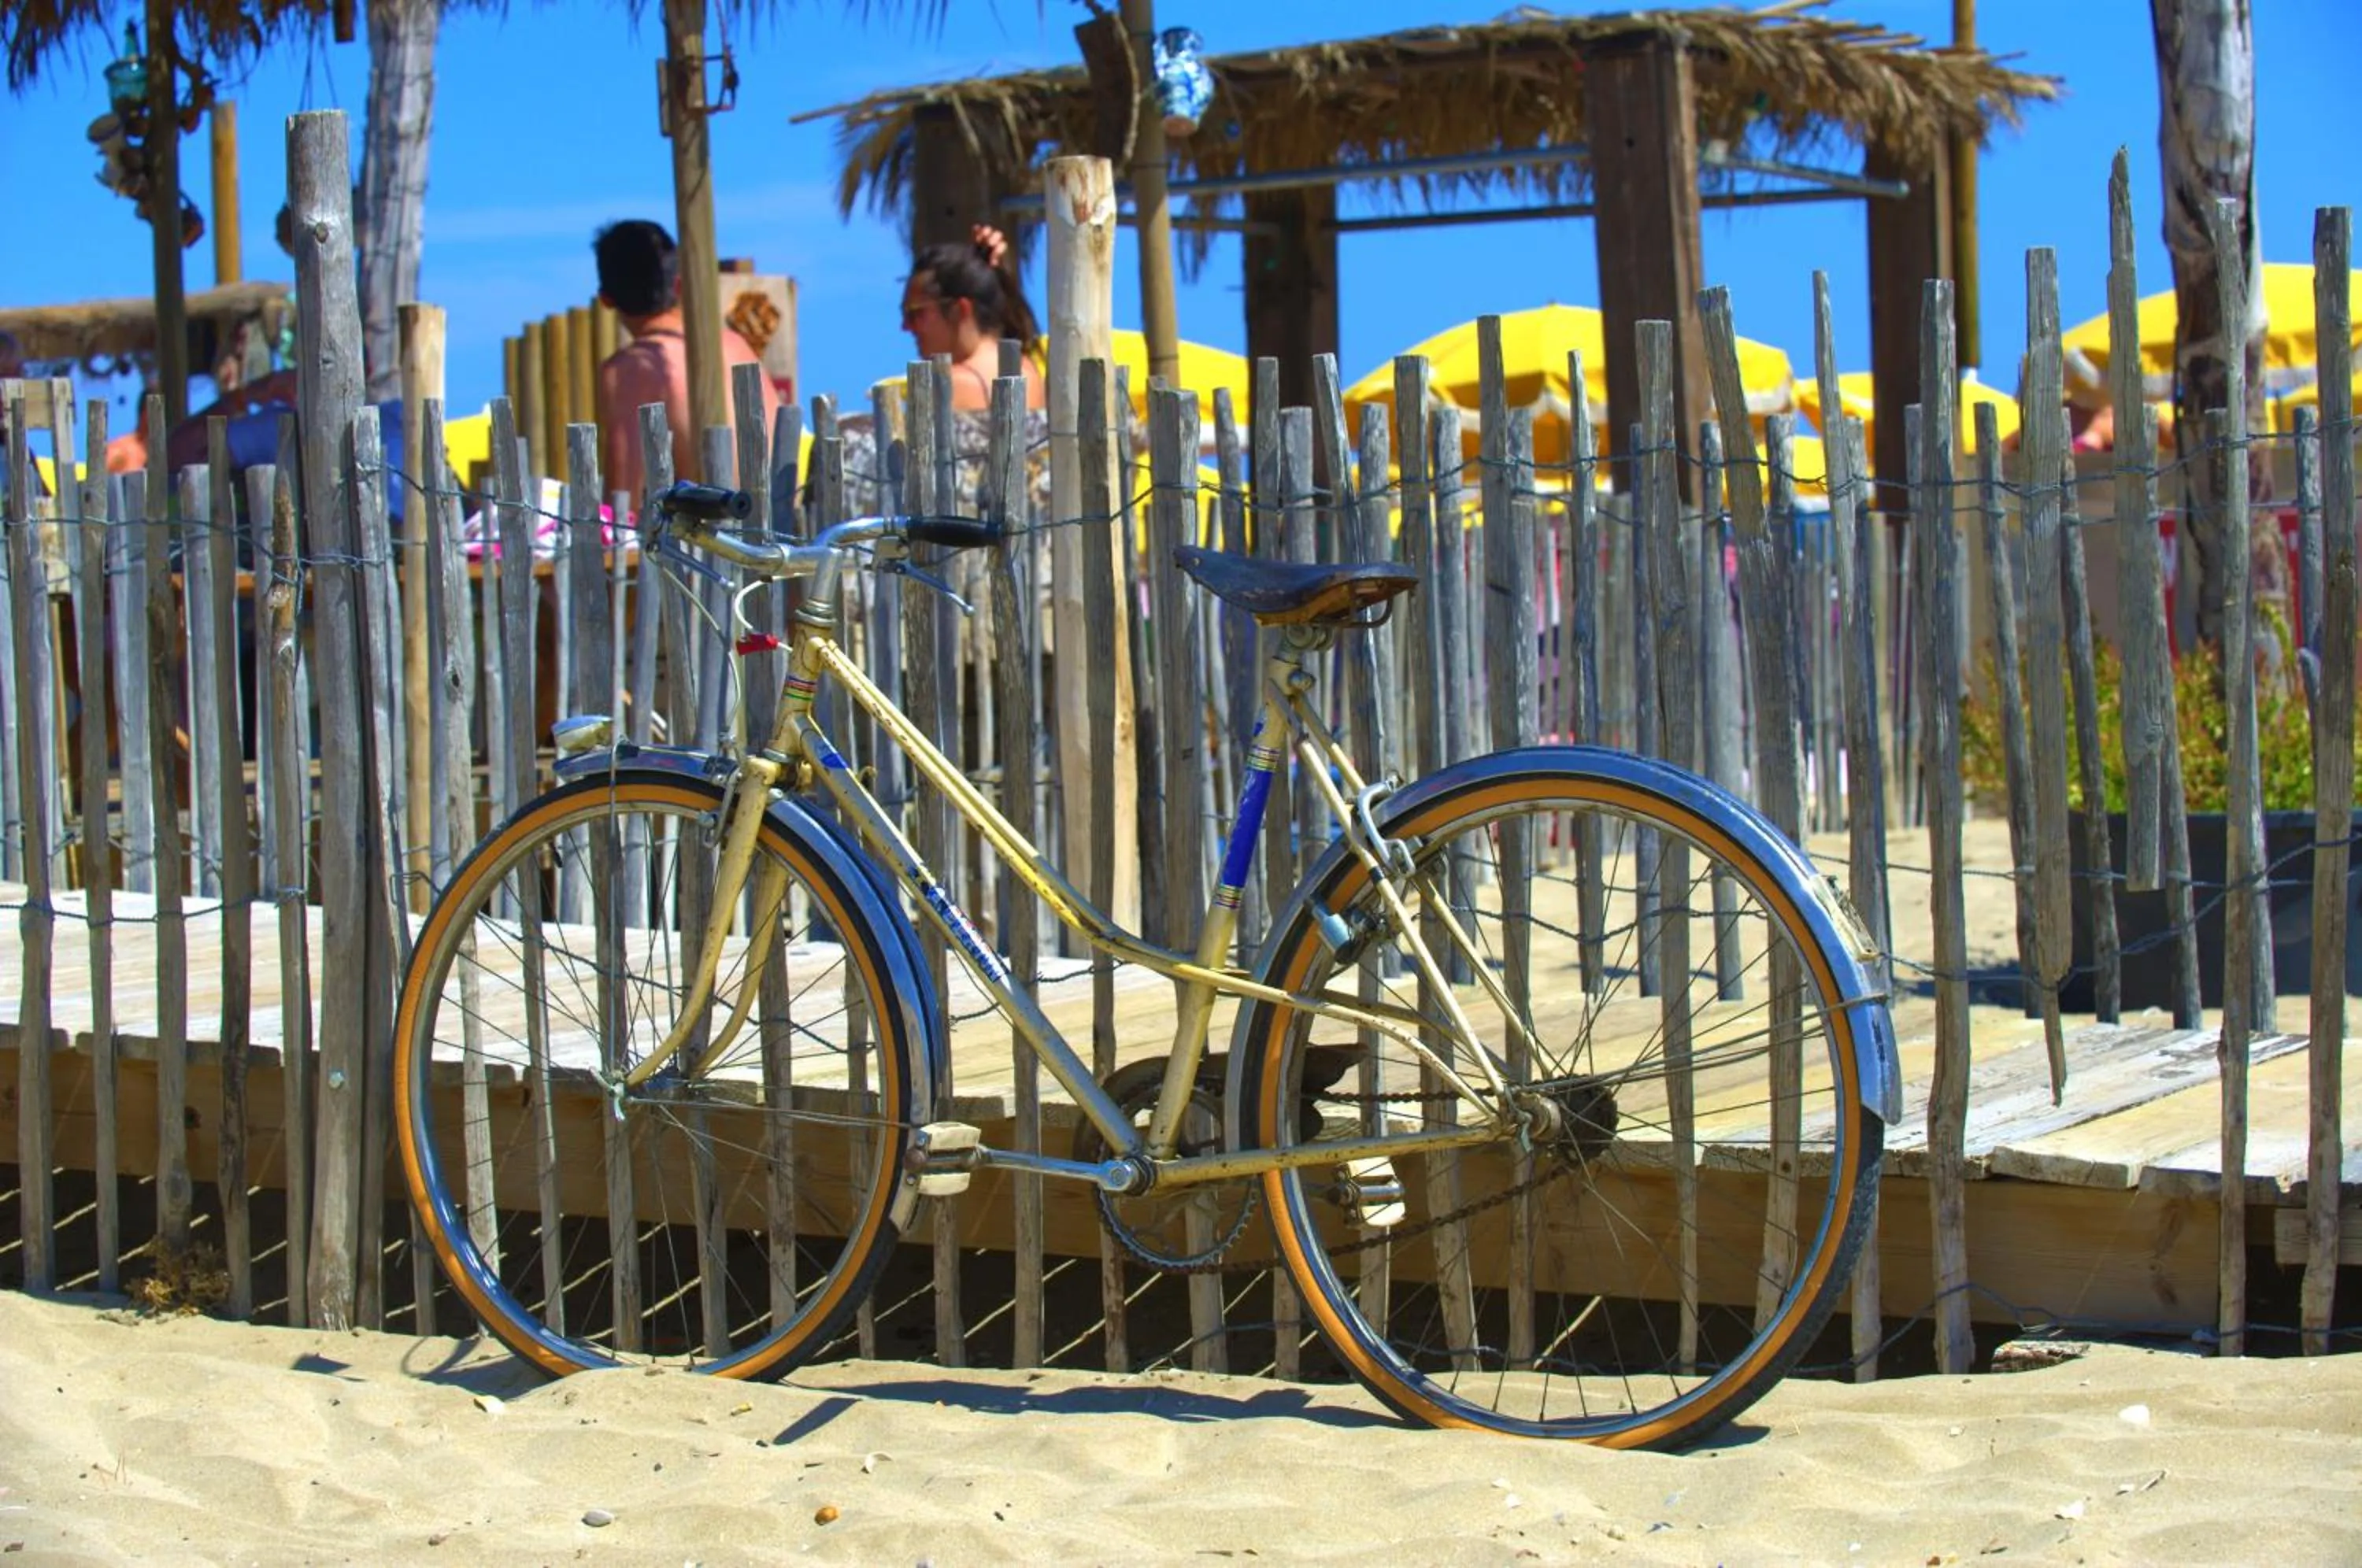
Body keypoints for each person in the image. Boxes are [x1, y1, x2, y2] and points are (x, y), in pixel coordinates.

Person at [593, 219, 781, 504]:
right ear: (679, 286)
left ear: (606, 300)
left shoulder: (631, 368)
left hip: (715, 525)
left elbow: (623, 501)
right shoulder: (734, 343)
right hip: (780, 518)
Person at [901, 224, 1046, 412]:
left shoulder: (948, 386)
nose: (906, 326)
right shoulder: (1028, 371)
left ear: (961, 309)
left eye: (915, 313)